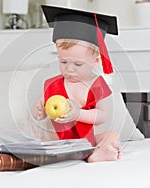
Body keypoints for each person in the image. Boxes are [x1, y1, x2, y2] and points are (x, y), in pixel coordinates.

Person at [31, 5, 121, 162]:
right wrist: (39, 110)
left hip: (89, 141)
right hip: (59, 141)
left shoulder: (97, 84)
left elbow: (103, 115)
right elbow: (41, 112)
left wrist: (78, 114)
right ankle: (53, 155)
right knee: (41, 138)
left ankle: (99, 153)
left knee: (111, 135)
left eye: (78, 65)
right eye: (63, 61)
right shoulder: (53, 84)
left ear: (95, 61)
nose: (69, 69)